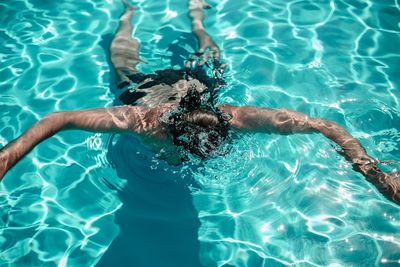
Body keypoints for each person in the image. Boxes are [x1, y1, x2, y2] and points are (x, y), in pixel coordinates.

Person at [0, 0, 399, 205]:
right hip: (144, 88)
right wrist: (6, 159)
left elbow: (324, 125)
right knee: (122, 62)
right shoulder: (139, 120)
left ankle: (197, 17)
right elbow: (57, 119)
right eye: (202, 149)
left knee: (208, 54)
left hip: (199, 85)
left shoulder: (238, 117)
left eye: (217, 145)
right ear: (174, 134)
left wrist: (374, 175)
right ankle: (128, 12)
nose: (212, 154)